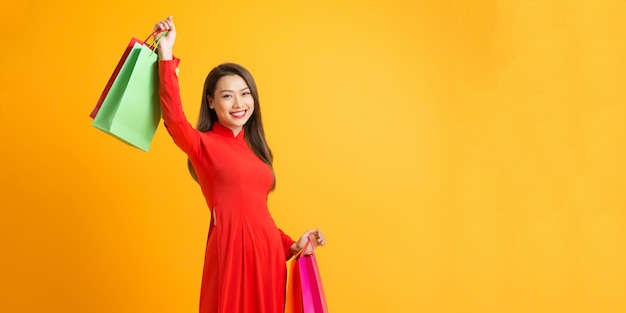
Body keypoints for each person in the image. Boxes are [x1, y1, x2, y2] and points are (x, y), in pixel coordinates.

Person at [153, 16, 326, 313]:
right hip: (231, 254)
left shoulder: (257, 150)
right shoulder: (203, 144)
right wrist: (166, 54)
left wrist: (292, 245)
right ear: (210, 102)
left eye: (245, 94)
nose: (239, 103)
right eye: (227, 96)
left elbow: (258, 214)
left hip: (269, 257)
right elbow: (174, 118)